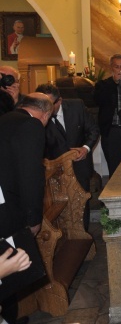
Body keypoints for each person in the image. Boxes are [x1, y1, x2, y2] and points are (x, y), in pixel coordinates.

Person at [0, 93, 52, 324]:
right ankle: (10, 318)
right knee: (12, 263)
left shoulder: (5, 118)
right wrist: (33, 219)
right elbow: (31, 176)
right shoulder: (31, 125)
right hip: (10, 208)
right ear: (45, 114)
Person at [36, 83, 100, 230]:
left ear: (59, 101)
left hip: (80, 165)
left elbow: (93, 129)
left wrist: (85, 148)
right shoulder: (36, 115)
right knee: (60, 207)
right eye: (42, 104)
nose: (45, 108)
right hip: (54, 170)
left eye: (49, 104)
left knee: (81, 202)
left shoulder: (77, 106)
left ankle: (83, 235)